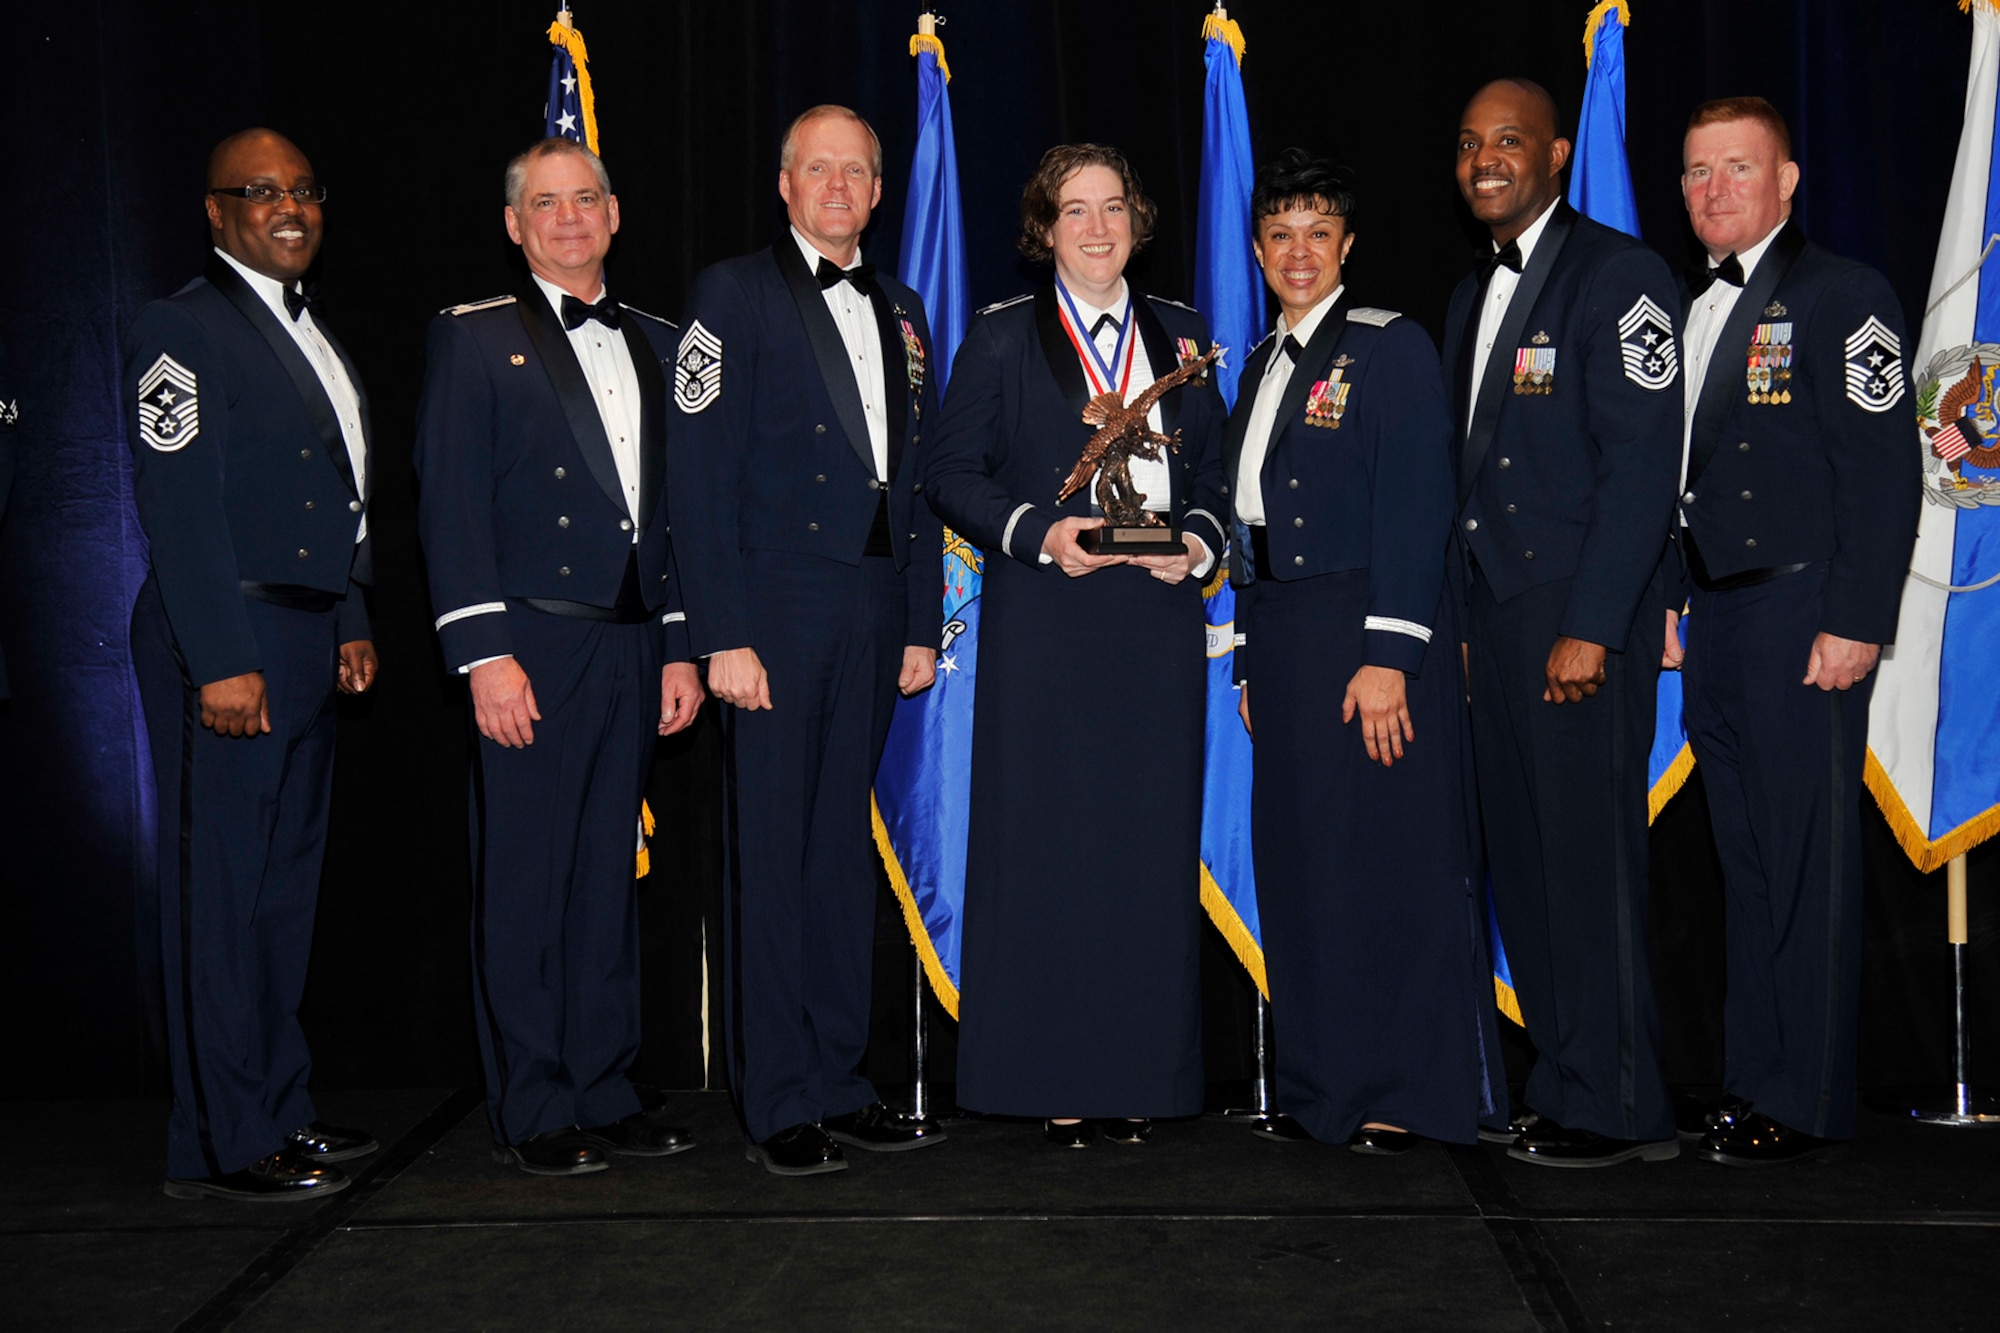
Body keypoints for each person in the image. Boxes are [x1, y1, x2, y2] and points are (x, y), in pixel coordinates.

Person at [926, 143, 1227, 1147]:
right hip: (1045, 625)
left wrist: (1197, 541)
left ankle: (1142, 1075)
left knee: (1142, 853)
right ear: (1043, 230)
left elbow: (1223, 479)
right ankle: (1043, 1078)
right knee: (1045, 852)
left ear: (1137, 220)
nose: (1095, 228)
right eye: (1073, 211)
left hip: (1153, 626)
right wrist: (1033, 532)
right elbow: (949, 472)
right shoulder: (1003, 337)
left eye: (1111, 208)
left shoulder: (1182, 334)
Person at [413, 137, 704, 1177]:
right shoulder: (474, 339)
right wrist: (483, 652)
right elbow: (448, 507)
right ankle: (534, 1103)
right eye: (546, 203)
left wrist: (676, 644)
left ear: (615, 214)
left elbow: (672, 519)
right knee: (529, 882)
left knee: (603, 878)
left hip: (632, 646)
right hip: (528, 642)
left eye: (585, 199)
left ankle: (604, 1084)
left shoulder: (665, 342)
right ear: (513, 224)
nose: (568, 218)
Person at [668, 106, 944, 1176]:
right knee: (773, 855)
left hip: (876, 613)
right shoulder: (729, 295)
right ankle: (776, 1093)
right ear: (783, 185)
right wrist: (719, 633)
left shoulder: (907, 309)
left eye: (855, 172)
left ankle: (837, 1075)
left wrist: (918, 620)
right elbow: (696, 471)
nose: (837, 187)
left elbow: (915, 483)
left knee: (837, 855)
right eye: (816, 170)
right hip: (771, 616)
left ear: (877, 192)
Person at [1227, 150, 1501, 1154]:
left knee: (1387, 863)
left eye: (1317, 233)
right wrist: (1250, 656)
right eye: (1279, 235)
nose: (1298, 253)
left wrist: (1392, 651)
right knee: (1300, 867)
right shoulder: (1256, 367)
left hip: (1368, 632)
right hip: (1286, 639)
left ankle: (1408, 1092)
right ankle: (1319, 1090)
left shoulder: (1388, 350)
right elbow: (1247, 529)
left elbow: (1416, 505)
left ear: (1346, 245)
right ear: (1257, 251)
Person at [125, 129, 379, 1200]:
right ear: (215, 210)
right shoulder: (179, 329)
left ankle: (280, 1105)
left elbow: (341, 491)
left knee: (282, 895)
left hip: (308, 635)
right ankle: (225, 1138)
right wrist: (220, 660)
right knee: (219, 899)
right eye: (260, 191)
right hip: (225, 640)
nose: (288, 207)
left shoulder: (312, 330)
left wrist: (351, 613)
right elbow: (178, 511)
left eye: (304, 190)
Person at [1671, 97, 1918, 1165]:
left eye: (1736, 168)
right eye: (1694, 172)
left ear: (1786, 180)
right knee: (1746, 861)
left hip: (1802, 615)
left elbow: (1880, 471)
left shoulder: (1840, 295)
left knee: (1804, 863)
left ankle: (1804, 1096)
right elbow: (1689, 483)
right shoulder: (1690, 308)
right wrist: (1676, 597)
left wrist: (1855, 620)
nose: (1713, 189)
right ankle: (1748, 1080)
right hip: (1719, 618)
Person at [1446, 81, 1683, 1165]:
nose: (1485, 159)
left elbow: (1641, 468)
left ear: (1555, 151)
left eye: (1507, 140)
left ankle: (1622, 1104)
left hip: (1574, 616)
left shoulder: (1618, 275)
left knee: (1588, 864)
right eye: (1468, 144)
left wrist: (1592, 622)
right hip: (1493, 621)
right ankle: (1563, 1078)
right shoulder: (1466, 295)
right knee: (1528, 866)